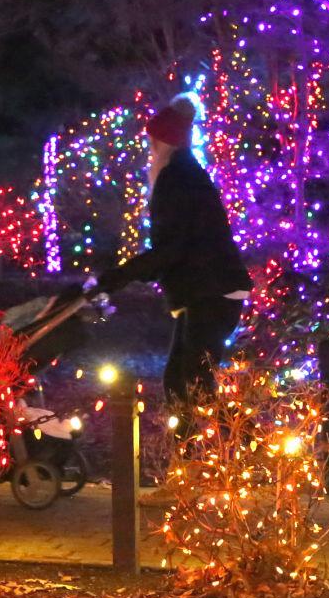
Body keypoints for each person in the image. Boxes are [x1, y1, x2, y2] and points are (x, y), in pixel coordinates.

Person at [94, 94, 251, 428]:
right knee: (183, 384)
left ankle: (235, 454)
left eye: (151, 145)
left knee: (192, 387)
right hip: (209, 290)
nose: (149, 154)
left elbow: (171, 248)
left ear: (162, 142)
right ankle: (200, 457)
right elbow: (176, 246)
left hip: (210, 292)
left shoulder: (175, 178)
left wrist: (119, 276)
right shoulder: (186, 174)